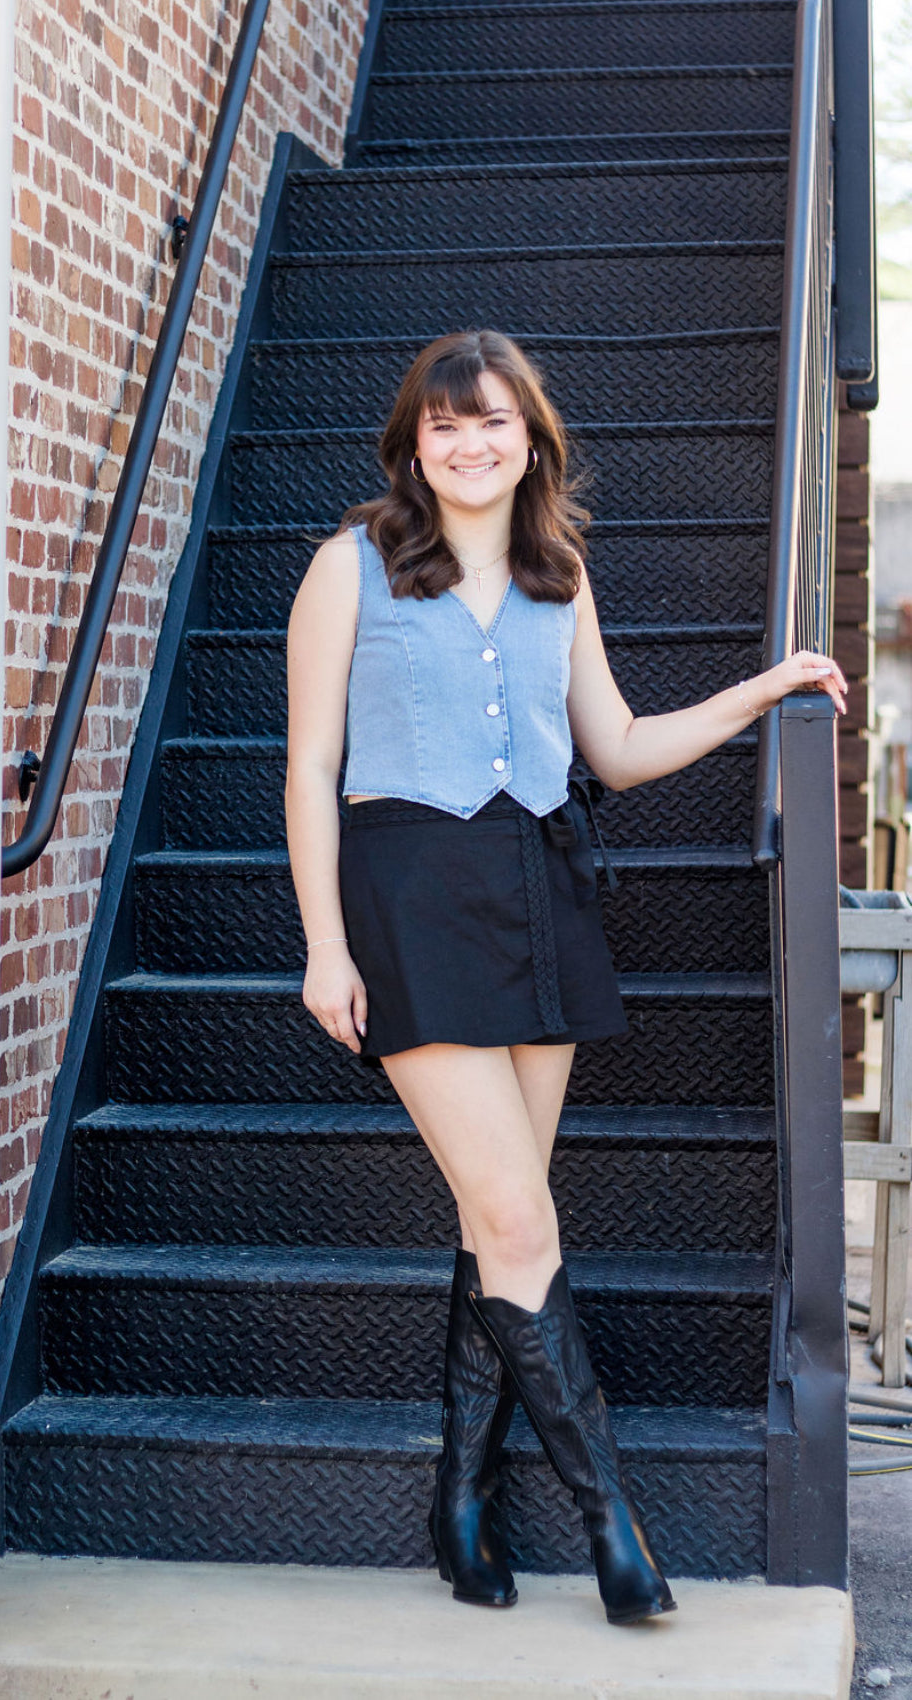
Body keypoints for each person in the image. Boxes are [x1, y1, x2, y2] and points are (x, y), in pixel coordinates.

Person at [283, 330, 847, 1625]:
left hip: (539, 892)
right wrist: (324, 942)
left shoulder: (559, 575)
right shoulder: (348, 565)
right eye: (443, 426)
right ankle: (613, 1529)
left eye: (492, 422)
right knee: (520, 1221)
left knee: (497, 1219)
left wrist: (762, 689)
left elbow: (619, 745)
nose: (468, 444)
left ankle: (462, 1501)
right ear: (412, 447)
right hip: (409, 898)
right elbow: (310, 766)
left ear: (530, 440)